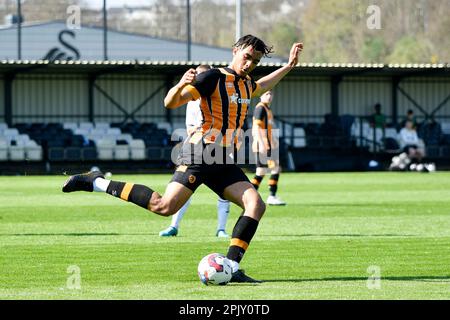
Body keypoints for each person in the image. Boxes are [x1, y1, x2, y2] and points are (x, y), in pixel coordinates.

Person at [62, 35, 303, 283]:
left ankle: (230, 267)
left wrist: (289, 66)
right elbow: (170, 102)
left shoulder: (246, 84)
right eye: (247, 57)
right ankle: (95, 182)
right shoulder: (212, 77)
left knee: (256, 205)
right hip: (200, 153)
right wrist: (180, 85)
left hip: (222, 159)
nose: (249, 63)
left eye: (255, 61)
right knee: (164, 207)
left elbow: (261, 86)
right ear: (235, 51)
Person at [159, 64, 230, 238]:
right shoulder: (191, 100)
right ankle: (174, 226)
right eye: (198, 75)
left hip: (220, 148)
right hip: (197, 148)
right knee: (184, 189)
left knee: (225, 192)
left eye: (204, 75)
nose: (201, 78)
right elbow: (190, 127)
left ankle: (221, 229)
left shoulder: (220, 96)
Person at [250, 90, 286, 206]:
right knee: (266, 170)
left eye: (271, 94)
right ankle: (269, 196)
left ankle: (259, 196)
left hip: (269, 144)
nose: (269, 96)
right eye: (266, 94)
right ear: (260, 96)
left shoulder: (267, 109)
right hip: (263, 145)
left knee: (267, 170)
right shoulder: (260, 108)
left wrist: (273, 140)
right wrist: (262, 144)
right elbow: (256, 127)